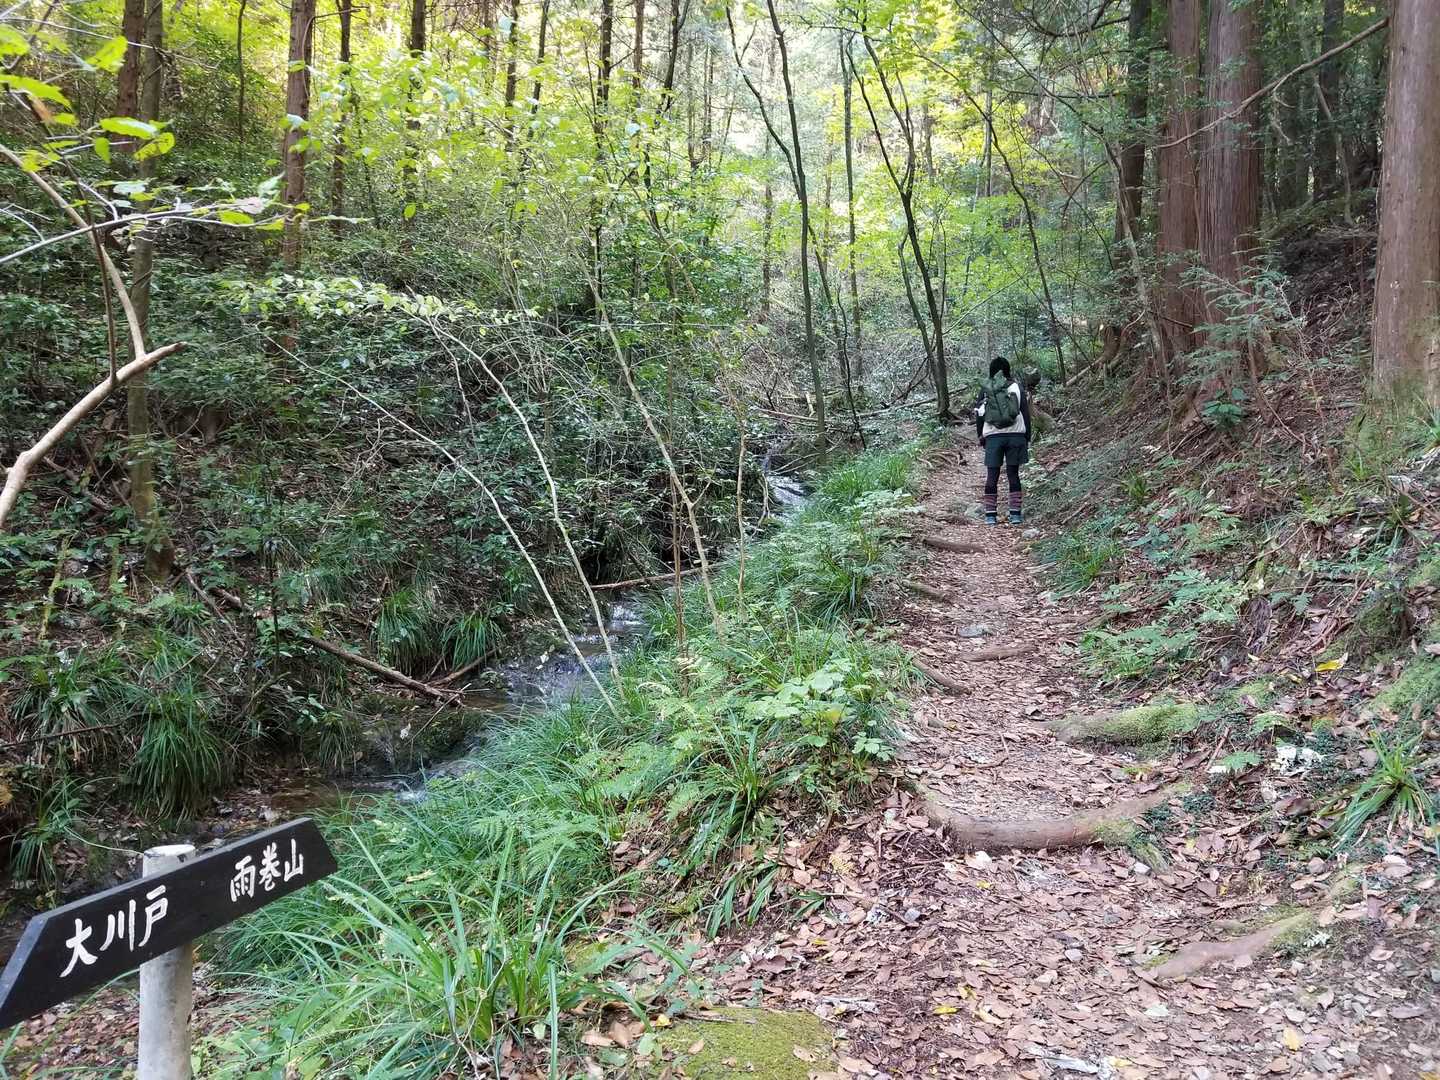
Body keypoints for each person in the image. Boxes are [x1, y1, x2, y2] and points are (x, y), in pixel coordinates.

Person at [972, 356, 1031, 526]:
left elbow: (980, 415)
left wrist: (981, 436)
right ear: (1007, 369)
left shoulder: (986, 388)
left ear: (992, 371)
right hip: (1016, 436)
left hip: (993, 436)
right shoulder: (1016, 387)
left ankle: (990, 516)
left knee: (992, 475)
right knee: (1013, 474)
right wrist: (1027, 436)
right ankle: (1015, 515)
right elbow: (1025, 413)